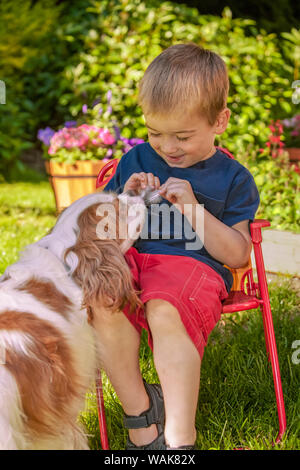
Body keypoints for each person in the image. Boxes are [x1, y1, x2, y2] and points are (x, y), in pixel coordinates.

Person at [92, 43, 260, 450]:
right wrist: (124, 203)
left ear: (220, 121)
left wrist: (193, 209)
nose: (167, 148)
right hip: (133, 262)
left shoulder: (233, 178)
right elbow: (105, 238)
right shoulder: (135, 161)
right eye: (154, 134)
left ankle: (181, 440)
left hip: (191, 270)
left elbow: (238, 255)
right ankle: (141, 419)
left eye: (183, 136)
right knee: (101, 294)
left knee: (164, 306)